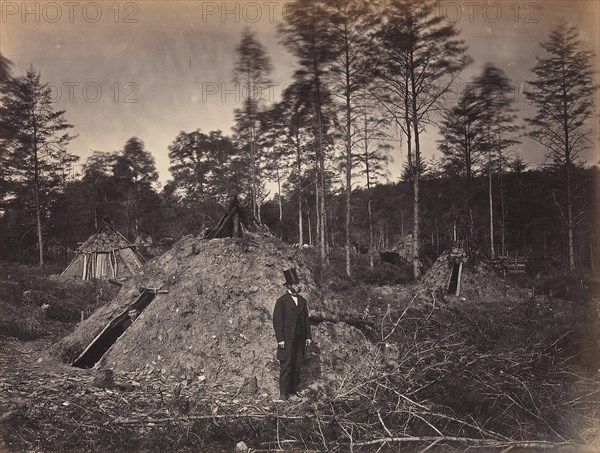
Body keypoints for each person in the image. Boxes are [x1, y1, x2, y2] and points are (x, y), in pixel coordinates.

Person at [272, 268, 312, 401]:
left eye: (297, 283)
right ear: (288, 286)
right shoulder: (281, 301)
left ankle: (293, 390)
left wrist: (308, 336)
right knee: (286, 364)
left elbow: (306, 320)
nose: (297, 286)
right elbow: (277, 322)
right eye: (294, 284)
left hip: (300, 338)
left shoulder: (302, 301)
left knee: (297, 363)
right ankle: (283, 393)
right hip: (287, 339)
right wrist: (280, 339)